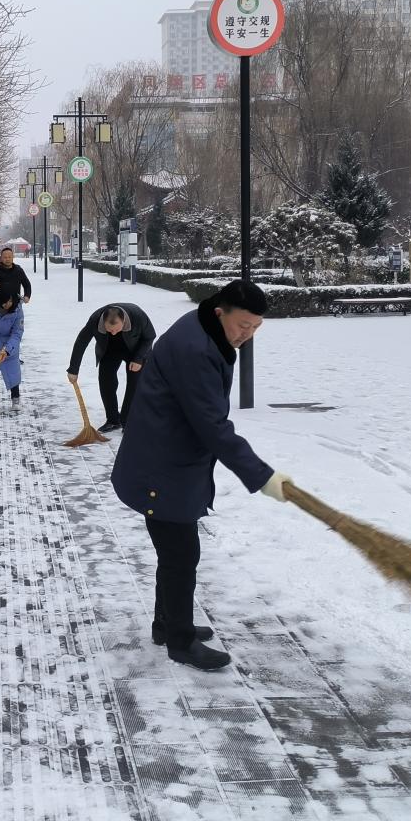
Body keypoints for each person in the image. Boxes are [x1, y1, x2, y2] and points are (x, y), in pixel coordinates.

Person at [110, 280, 293, 672]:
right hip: (160, 467)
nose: (248, 334)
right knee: (181, 554)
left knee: (174, 552)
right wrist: (262, 476)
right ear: (219, 313)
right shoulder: (195, 349)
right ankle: (179, 640)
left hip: (168, 460)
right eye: (243, 324)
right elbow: (212, 426)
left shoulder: (202, 330)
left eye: (256, 327)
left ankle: (167, 624)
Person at [67, 303, 156, 433]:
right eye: (110, 330)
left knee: (134, 385)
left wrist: (138, 359)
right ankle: (113, 420)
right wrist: (73, 369)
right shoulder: (96, 319)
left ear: (124, 321)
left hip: (135, 350)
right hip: (109, 349)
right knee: (106, 381)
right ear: (103, 322)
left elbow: (149, 337)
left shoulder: (137, 316)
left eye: (116, 329)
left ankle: (128, 421)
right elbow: (82, 341)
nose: (113, 333)